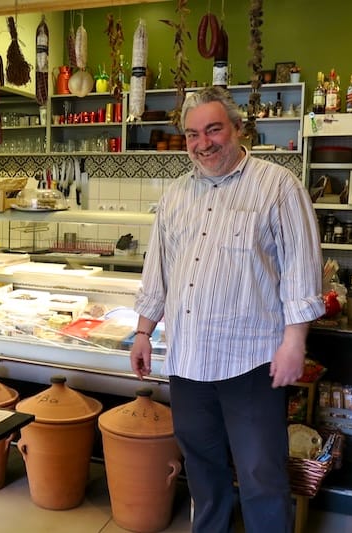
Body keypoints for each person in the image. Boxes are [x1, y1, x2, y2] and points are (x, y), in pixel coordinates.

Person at [130, 86, 325, 533]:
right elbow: (157, 271)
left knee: (261, 474)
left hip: (251, 360)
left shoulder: (278, 186)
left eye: (213, 130)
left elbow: (301, 270)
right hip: (188, 360)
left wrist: (294, 342)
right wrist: (143, 333)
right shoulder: (175, 195)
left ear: (237, 129)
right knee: (203, 472)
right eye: (192, 134)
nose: (203, 143)